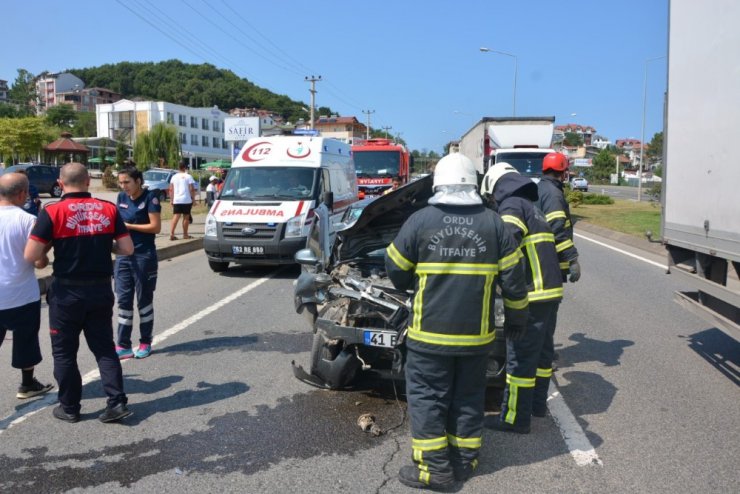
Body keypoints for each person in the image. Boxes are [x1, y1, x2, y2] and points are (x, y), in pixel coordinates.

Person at [385, 152, 529, 490]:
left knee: (427, 398)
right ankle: (464, 461)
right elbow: (514, 279)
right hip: (475, 339)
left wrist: (411, 283)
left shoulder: (421, 220)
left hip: (428, 337)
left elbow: (395, 267)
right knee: (467, 398)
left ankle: (435, 470)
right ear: (475, 185)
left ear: (438, 183)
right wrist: (517, 318)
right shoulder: (494, 223)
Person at [24, 162, 134, 424]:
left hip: (66, 293)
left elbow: (31, 255)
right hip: (100, 289)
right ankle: (117, 403)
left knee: (64, 353)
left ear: (60, 184)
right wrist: (107, 248)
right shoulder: (108, 209)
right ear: (87, 182)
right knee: (105, 349)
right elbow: (127, 248)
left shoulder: (53, 212)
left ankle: (70, 407)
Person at [480, 163, 564, 433]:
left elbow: (507, 245)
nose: (493, 202)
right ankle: (537, 406)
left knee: (519, 361)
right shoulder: (532, 206)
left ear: (496, 187)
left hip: (534, 294)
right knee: (541, 354)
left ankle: (514, 418)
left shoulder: (512, 206)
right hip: (550, 292)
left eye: (491, 197)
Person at [0, 173, 54, 400]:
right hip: (22, 293)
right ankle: (27, 383)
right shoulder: (28, 220)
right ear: (22, 194)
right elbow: (39, 260)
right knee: (26, 339)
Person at [114, 167, 161, 360]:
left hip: (144, 256)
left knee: (144, 301)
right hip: (123, 256)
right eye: (121, 182)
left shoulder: (151, 198)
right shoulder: (121, 198)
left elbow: (155, 227)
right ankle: (123, 345)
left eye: (127, 182)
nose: (124, 186)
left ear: (138, 181)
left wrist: (130, 226)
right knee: (123, 301)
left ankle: (145, 341)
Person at [168, 161, 196, 241]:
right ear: (185, 167)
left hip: (177, 200)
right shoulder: (188, 176)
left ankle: (171, 234)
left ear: (178, 167)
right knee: (186, 217)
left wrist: (171, 200)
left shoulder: (174, 177)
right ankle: (185, 234)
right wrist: (193, 199)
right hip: (186, 200)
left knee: (176, 217)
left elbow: (170, 189)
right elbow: (191, 189)